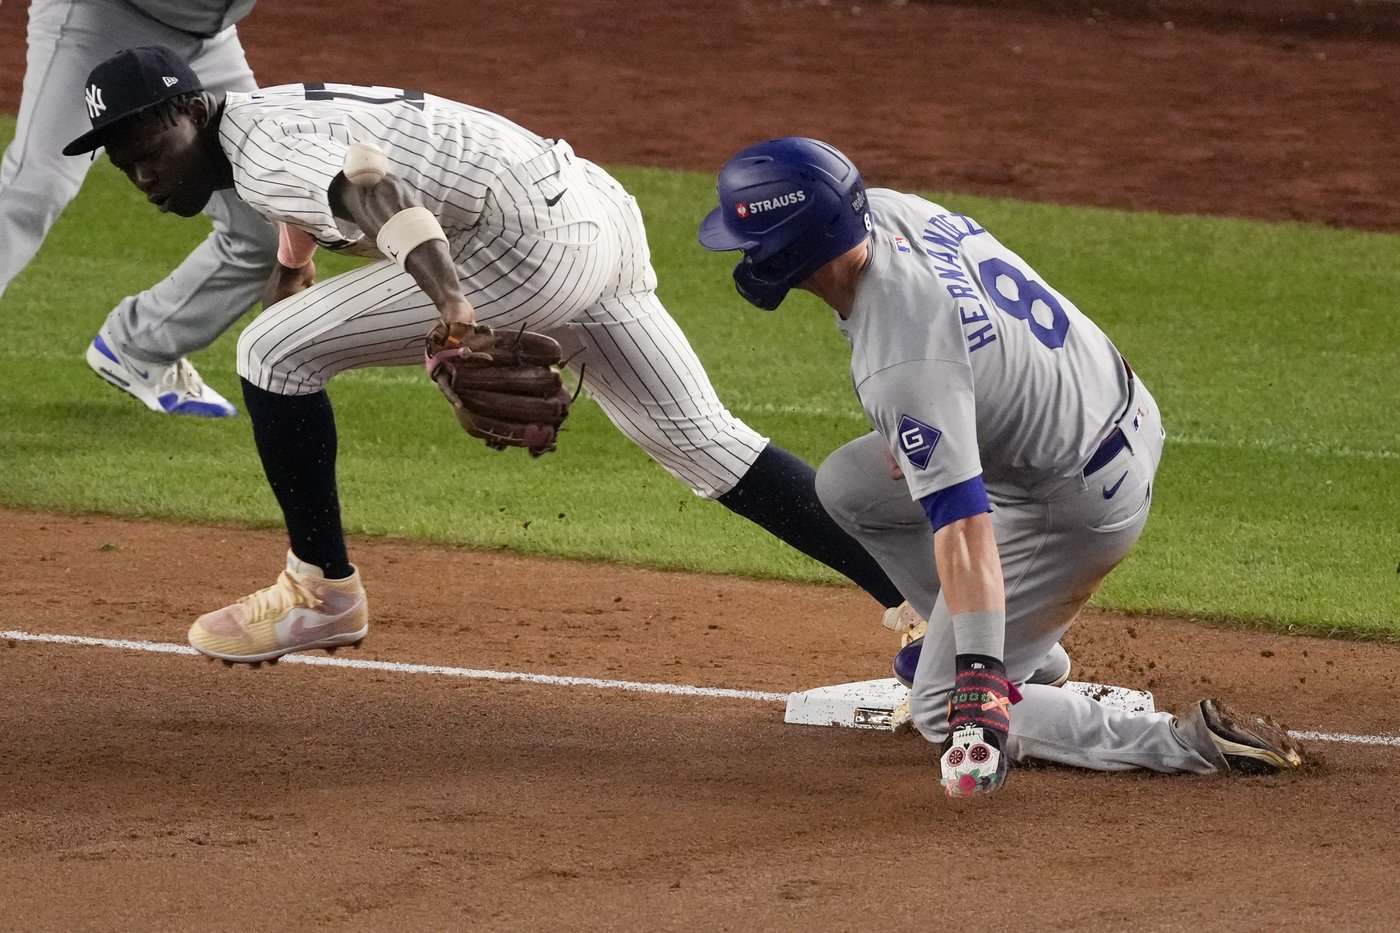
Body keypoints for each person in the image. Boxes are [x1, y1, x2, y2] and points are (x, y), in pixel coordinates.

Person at [62, 47, 906, 664]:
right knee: (701, 438)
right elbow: (321, 200)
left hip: (520, 247)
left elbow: (370, 188)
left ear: (195, 109)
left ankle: (320, 590)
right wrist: (293, 273)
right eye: (124, 163)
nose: (143, 175)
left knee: (267, 350)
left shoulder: (265, 150)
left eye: (151, 149)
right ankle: (924, 606)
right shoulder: (263, 123)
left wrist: (454, 306)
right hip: (593, 212)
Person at [697, 137, 1304, 797]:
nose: (745, 255)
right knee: (849, 484)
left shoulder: (903, 362)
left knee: (941, 707)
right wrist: (945, 422)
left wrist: (979, 678)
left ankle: (1183, 743)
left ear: (793, 246)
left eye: (752, 240)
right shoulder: (890, 214)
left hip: (1076, 500)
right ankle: (1023, 650)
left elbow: (965, 524)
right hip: (1104, 410)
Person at [1, 1, 277, 416]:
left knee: (266, 228)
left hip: (209, 39)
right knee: (35, 186)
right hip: (105, 18)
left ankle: (138, 346)